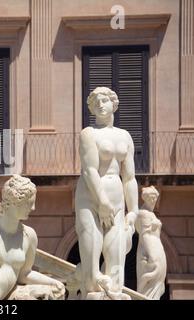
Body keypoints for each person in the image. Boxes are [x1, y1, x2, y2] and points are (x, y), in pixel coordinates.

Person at [75, 87, 139, 299]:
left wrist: (134, 210)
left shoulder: (125, 136)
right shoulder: (89, 133)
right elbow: (89, 169)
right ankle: (92, 290)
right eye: (95, 103)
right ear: (91, 109)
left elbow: (129, 177)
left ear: (114, 104)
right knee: (91, 250)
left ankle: (115, 293)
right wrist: (101, 202)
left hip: (116, 197)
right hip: (91, 197)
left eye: (104, 100)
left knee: (116, 253)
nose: (100, 105)